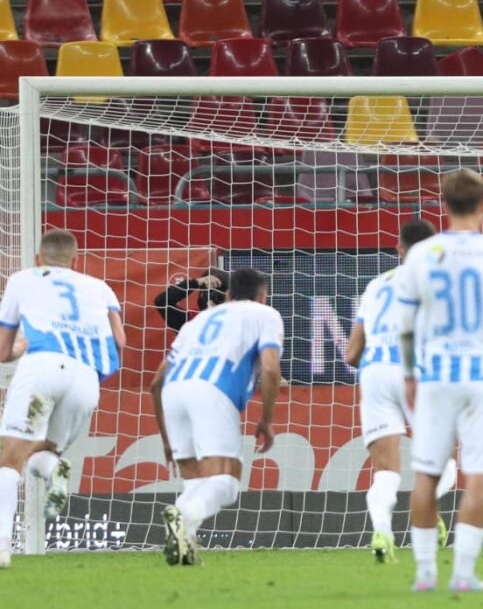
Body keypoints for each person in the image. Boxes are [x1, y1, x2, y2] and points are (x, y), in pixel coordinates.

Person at [394, 170, 483, 593]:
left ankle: (425, 574)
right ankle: (463, 574)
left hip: (436, 375)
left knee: (426, 473)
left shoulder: (421, 254)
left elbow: (405, 323)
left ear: (442, 204)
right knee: (477, 474)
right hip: (482, 377)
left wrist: (409, 372)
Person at [0, 229, 126, 570]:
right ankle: (56, 469)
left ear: (38, 258)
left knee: (9, 459)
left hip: (42, 370)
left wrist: (22, 347)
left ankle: (1, 547)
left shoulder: (22, 279)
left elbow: (3, 351)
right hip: (85, 379)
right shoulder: (99, 287)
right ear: (75, 260)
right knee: (42, 454)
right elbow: (120, 339)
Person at [149, 268, 283, 566]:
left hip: (173, 391)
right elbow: (270, 369)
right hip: (213, 391)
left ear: (229, 294)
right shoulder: (265, 314)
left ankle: (185, 545)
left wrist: (167, 440)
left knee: (196, 482)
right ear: (263, 296)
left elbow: (156, 383)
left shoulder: (195, 323)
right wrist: (267, 419)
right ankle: (183, 516)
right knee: (226, 483)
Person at [344, 218, 449, 563]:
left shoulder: (375, 285)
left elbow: (351, 353)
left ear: (399, 249)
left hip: (374, 372)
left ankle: (382, 533)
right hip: (415, 370)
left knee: (385, 469)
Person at [153, 269, 228, 332]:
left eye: (221, 293)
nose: (215, 297)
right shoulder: (191, 320)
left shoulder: (232, 320)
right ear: (201, 294)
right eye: (211, 292)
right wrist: (196, 282)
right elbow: (162, 301)